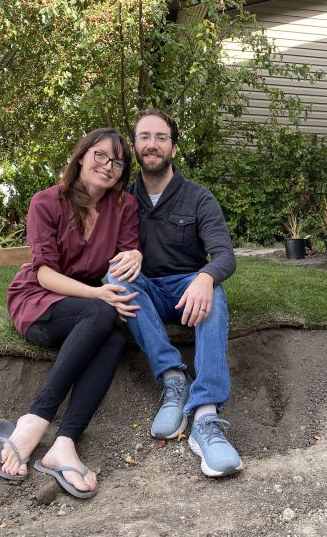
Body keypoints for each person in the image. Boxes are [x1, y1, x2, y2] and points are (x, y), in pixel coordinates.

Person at [0, 128, 142, 499]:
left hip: (87, 307)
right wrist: (97, 293)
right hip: (39, 300)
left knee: (113, 337)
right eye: (100, 155)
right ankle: (36, 418)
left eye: (118, 161)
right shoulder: (46, 202)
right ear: (82, 155)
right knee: (101, 314)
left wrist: (136, 254)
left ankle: (65, 443)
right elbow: (44, 274)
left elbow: (125, 257)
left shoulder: (124, 207)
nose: (108, 165)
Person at [106, 109, 242, 477]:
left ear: (174, 148)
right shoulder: (121, 201)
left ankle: (206, 416)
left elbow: (225, 256)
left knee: (214, 294)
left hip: (187, 289)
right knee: (115, 276)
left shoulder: (199, 198)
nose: (152, 144)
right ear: (135, 146)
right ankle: (173, 379)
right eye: (144, 137)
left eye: (161, 137)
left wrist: (206, 277)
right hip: (146, 289)